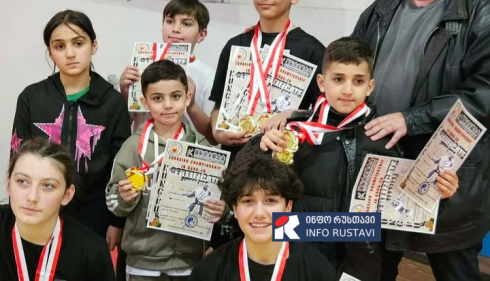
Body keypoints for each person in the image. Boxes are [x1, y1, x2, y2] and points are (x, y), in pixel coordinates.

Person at [352, 0, 490, 281]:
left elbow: (485, 94)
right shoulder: (380, 11)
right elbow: (346, 71)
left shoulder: (482, 14)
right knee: (371, 271)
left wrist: (411, 118)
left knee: (455, 272)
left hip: (448, 181)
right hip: (379, 170)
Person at [260, 37, 459, 277]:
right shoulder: (294, 135)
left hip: (363, 266)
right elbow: (263, 198)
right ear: (322, 82)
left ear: (370, 86)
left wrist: (439, 195)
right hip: (303, 260)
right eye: (338, 79)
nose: (347, 90)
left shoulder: (385, 140)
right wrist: (262, 149)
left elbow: (405, 215)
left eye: (358, 81)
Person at [11, 10, 131, 249]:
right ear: (50, 52)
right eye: (59, 46)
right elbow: (18, 160)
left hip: (95, 216)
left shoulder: (112, 102)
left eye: (78, 43)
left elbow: (121, 168)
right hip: (41, 211)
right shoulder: (31, 98)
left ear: (93, 45)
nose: (70, 53)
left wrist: (116, 222)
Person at [106, 60, 226, 280]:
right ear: (145, 101)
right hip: (142, 263)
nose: (168, 105)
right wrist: (123, 198)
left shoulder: (203, 147)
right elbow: (113, 202)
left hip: (190, 262)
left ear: (187, 97)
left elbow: (222, 198)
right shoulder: (133, 147)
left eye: (176, 96)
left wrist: (221, 210)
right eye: (158, 98)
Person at [209, 0, 325, 160]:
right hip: (236, 159)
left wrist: (292, 115)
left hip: (283, 161)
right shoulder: (235, 46)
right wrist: (218, 132)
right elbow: (218, 106)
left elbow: (323, 113)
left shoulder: (312, 50)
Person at [189, 142, 337, 281]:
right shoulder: (208, 272)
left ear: (288, 207)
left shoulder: (318, 271)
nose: (259, 213)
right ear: (235, 208)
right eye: (248, 201)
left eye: (270, 201)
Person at [0, 138, 115, 280]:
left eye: (48, 186)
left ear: (67, 195)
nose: (32, 197)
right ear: (8, 185)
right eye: (22, 181)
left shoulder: (92, 252)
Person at [119, 0, 215, 143]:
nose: (176, 29)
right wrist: (125, 94)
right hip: (144, 150)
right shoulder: (142, 66)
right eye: (170, 21)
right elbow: (122, 125)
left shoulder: (207, 75)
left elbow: (213, 137)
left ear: (201, 34)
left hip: (186, 152)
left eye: (186, 24)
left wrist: (192, 105)